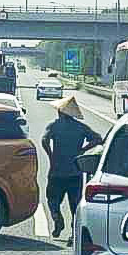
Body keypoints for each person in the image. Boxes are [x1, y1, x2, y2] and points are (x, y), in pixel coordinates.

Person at [41, 95, 103, 240]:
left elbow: (44, 139)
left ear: (62, 112)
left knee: (52, 200)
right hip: (75, 171)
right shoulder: (81, 128)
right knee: (75, 206)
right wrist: (82, 150)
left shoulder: (54, 125)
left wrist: (51, 155)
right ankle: (74, 235)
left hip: (56, 171)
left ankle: (57, 218)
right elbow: (98, 139)